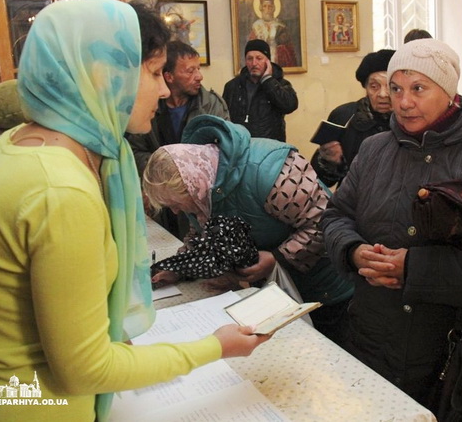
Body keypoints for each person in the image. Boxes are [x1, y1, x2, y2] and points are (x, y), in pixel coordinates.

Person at [0, 0, 268, 422]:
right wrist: (216, 347)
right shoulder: (60, 190)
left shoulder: (18, 142)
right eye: (152, 73)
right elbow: (85, 369)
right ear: (103, 74)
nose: (165, 89)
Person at [321, 38, 462, 410]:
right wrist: (354, 251)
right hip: (372, 339)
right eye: (396, 88)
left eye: (418, 88)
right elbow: (336, 216)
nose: (403, 102)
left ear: (449, 91)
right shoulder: (374, 150)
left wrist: (414, 269)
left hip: (452, 353)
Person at [142, 114, 354, 346]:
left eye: (175, 204)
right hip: (275, 295)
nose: (175, 212)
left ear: (193, 185)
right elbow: (202, 232)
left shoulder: (268, 170)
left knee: (325, 355)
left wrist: (277, 258)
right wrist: (178, 268)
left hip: (325, 288)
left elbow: (325, 221)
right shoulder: (199, 185)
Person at [129, 40, 229, 239]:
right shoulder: (148, 106)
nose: (199, 77)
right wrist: (163, 175)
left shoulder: (211, 106)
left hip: (202, 203)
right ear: (169, 77)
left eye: (198, 69)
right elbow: (136, 149)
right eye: (190, 71)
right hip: (163, 204)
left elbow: (222, 154)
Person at [310, 49, 395, 187]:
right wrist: (330, 161)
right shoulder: (344, 116)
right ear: (366, 88)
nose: (383, 94)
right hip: (353, 202)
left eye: (391, 87)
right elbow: (320, 181)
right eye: (374, 86)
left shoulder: (412, 120)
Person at [222, 39, 298, 142]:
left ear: (268, 61)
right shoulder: (232, 86)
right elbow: (224, 118)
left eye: (259, 58)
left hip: (270, 149)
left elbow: (290, 106)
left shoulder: (280, 84)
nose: (254, 63)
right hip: (240, 147)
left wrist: (268, 81)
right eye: (249, 58)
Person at [248, 0, 297, 68]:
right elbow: (251, 49)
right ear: (261, 8)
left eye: (270, 7)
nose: (267, 10)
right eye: (265, 6)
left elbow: (288, 50)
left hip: (277, 60)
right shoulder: (256, 27)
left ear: (273, 8)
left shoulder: (280, 27)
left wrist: (279, 49)